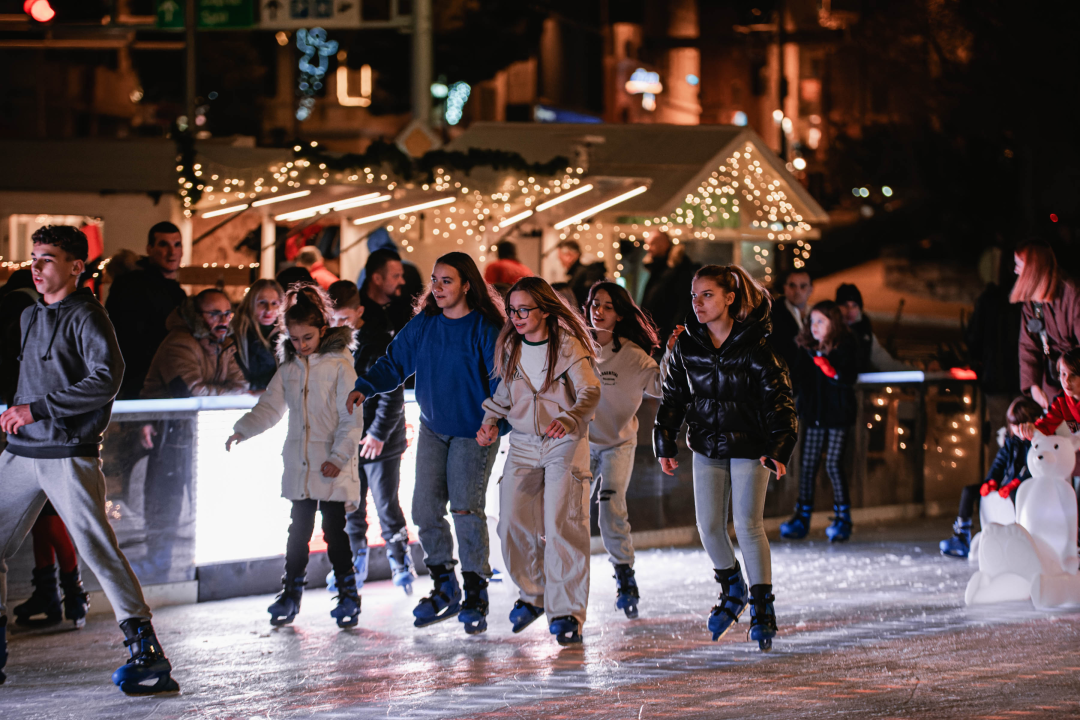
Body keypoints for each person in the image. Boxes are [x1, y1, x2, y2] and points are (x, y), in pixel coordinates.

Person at [0, 225, 178, 694]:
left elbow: (107, 379)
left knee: (97, 547)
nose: (35, 267)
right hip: (22, 451)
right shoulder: (29, 316)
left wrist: (36, 409)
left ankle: (147, 652)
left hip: (67, 453)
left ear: (76, 266)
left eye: (47, 258)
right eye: (34, 257)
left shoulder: (88, 316)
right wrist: (20, 410)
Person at [346, 252, 505, 636]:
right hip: (434, 428)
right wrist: (364, 387)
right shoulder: (426, 324)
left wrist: (497, 422)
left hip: (473, 431)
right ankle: (445, 584)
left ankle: (476, 593)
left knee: (465, 509)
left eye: (446, 281)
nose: (437, 287)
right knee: (424, 509)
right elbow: (395, 361)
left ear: (467, 284)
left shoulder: (484, 327)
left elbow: (504, 380)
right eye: (434, 280)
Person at [655, 264, 797, 651]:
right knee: (708, 527)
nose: (698, 304)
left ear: (730, 298)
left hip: (752, 447)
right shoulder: (688, 345)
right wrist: (665, 440)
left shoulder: (756, 348)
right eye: (694, 296)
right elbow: (673, 398)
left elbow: (780, 403)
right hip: (706, 445)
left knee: (748, 525)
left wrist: (779, 448)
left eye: (708, 295)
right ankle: (733, 588)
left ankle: (762, 609)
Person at [226, 284, 365, 628]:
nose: (301, 345)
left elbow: (351, 418)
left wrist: (339, 455)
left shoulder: (339, 367)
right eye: (295, 338)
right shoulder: (290, 367)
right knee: (297, 531)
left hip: (331, 464)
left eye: (307, 337)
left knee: (335, 531)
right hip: (301, 465)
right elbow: (271, 405)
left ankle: (348, 594)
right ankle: (290, 594)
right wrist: (243, 428)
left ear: (322, 331)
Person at [478, 277, 601, 645]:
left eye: (523, 310)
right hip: (523, 442)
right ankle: (534, 595)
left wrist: (571, 417)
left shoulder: (568, 346)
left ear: (544, 311)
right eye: (512, 310)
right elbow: (504, 393)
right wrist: (489, 420)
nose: (515, 317)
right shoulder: (512, 346)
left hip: (565, 441)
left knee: (561, 524)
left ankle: (566, 613)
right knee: (511, 521)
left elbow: (590, 390)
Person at [140, 288, 247, 574]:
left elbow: (241, 386)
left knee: (207, 500)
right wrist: (226, 393)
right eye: (215, 313)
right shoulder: (179, 343)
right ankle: (159, 566)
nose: (223, 319)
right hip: (168, 435)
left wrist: (224, 393)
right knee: (167, 503)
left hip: (201, 434)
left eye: (227, 312)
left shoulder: (223, 343)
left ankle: (211, 566)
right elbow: (191, 393)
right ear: (196, 316)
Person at [326, 259, 416, 597]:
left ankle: (400, 561)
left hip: (382, 440)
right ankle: (352, 563)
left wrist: (378, 433)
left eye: (344, 320)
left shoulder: (378, 340)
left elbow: (392, 393)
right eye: (332, 321)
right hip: (348, 441)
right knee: (351, 504)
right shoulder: (331, 344)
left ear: (359, 312)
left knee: (386, 503)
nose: (338, 326)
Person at [583, 281, 662, 620]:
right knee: (569, 510)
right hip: (582, 443)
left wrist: (674, 352)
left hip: (618, 443)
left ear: (619, 315)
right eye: (594, 304)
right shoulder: (576, 349)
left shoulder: (632, 356)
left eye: (607, 306)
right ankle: (563, 580)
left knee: (611, 507)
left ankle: (625, 578)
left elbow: (663, 386)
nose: (597, 311)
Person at [778, 301, 859, 542]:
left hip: (838, 415)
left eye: (820, 321)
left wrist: (830, 369)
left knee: (833, 464)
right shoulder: (807, 347)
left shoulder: (846, 344)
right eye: (812, 321)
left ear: (833, 323)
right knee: (808, 464)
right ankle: (802, 516)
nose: (814, 326)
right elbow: (797, 377)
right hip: (813, 414)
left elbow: (849, 376)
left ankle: (843, 517)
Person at [940, 396, 1042, 558]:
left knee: (1017, 497)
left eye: (1020, 425)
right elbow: (999, 463)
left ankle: (1021, 536)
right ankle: (962, 536)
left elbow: (1032, 466)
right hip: (1005, 484)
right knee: (969, 491)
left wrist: (1015, 483)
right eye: (1013, 425)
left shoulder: (1036, 442)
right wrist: (991, 480)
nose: (1016, 430)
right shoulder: (1011, 441)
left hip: (1024, 486)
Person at [105, 221, 187, 399]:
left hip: (165, 377)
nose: (172, 252)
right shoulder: (130, 284)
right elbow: (122, 337)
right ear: (149, 249)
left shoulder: (175, 290)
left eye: (177, 244)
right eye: (163, 244)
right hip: (137, 380)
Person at [1012, 239, 1080, 410]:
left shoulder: (1073, 293)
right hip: (1052, 385)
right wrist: (1033, 386)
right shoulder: (1031, 303)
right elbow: (1028, 347)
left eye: (1019, 264)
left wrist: (1069, 371)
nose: (1015, 270)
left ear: (1033, 268)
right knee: (1059, 431)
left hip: (1076, 381)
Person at [639, 231, 699, 351]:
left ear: (664, 244)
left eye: (652, 244)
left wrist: (672, 333)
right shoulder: (660, 268)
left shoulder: (677, 269)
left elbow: (683, 304)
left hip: (665, 336)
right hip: (656, 334)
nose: (648, 249)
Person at [835, 283, 908, 373]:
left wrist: (918, 372)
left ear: (860, 308)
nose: (850, 310)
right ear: (837, 308)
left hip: (860, 385)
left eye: (854, 306)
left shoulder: (866, 335)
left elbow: (886, 363)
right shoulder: (830, 331)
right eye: (845, 305)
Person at [232, 279, 284, 391]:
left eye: (274, 303)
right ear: (250, 304)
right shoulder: (236, 335)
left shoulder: (290, 336)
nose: (269, 309)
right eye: (262, 303)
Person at [770, 270, 813, 374]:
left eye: (803, 286)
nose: (797, 290)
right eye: (792, 285)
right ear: (785, 287)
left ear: (810, 289)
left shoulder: (816, 314)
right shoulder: (771, 314)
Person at [556, 239, 607, 311]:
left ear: (569, 255)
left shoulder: (584, 272)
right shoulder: (585, 270)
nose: (561, 263)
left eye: (561, 259)